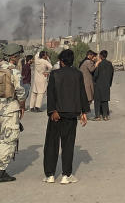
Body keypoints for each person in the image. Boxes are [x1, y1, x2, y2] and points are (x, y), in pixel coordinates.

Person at [44, 49, 88, 184]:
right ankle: (66, 175)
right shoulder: (78, 74)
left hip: (56, 115)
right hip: (71, 114)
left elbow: (50, 94)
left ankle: (50, 175)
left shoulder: (54, 74)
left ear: (61, 61)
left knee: (52, 144)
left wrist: (52, 111)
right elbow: (82, 93)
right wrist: (84, 112)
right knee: (68, 144)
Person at [0, 43, 27, 183]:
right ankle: (1, 172)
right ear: (14, 57)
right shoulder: (14, 71)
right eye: (18, 56)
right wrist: (22, 104)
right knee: (8, 139)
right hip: (10, 109)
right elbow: (20, 91)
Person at [94, 50, 114, 120]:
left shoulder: (99, 64)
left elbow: (95, 75)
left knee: (97, 101)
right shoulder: (110, 64)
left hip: (98, 85)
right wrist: (109, 84)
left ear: (101, 56)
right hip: (106, 85)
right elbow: (112, 75)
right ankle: (105, 116)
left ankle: (98, 116)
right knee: (105, 101)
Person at [79, 50, 97, 117]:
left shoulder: (84, 61)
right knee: (88, 99)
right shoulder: (87, 61)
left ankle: (82, 113)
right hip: (87, 83)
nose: (93, 57)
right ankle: (82, 114)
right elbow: (92, 69)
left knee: (87, 99)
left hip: (85, 82)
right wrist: (96, 63)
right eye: (93, 56)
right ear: (89, 55)